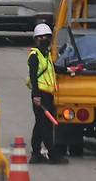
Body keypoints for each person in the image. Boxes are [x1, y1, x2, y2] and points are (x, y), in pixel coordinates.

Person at [28, 23, 69, 165]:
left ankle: (36, 154)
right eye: (42, 37)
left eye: (47, 37)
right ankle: (53, 154)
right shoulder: (35, 55)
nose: (45, 39)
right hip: (40, 95)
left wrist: (68, 70)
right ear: (36, 39)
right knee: (45, 126)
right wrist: (36, 96)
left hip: (47, 95)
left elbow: (53, 69)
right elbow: (33, 77)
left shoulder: (46, 55)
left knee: (40, 125)